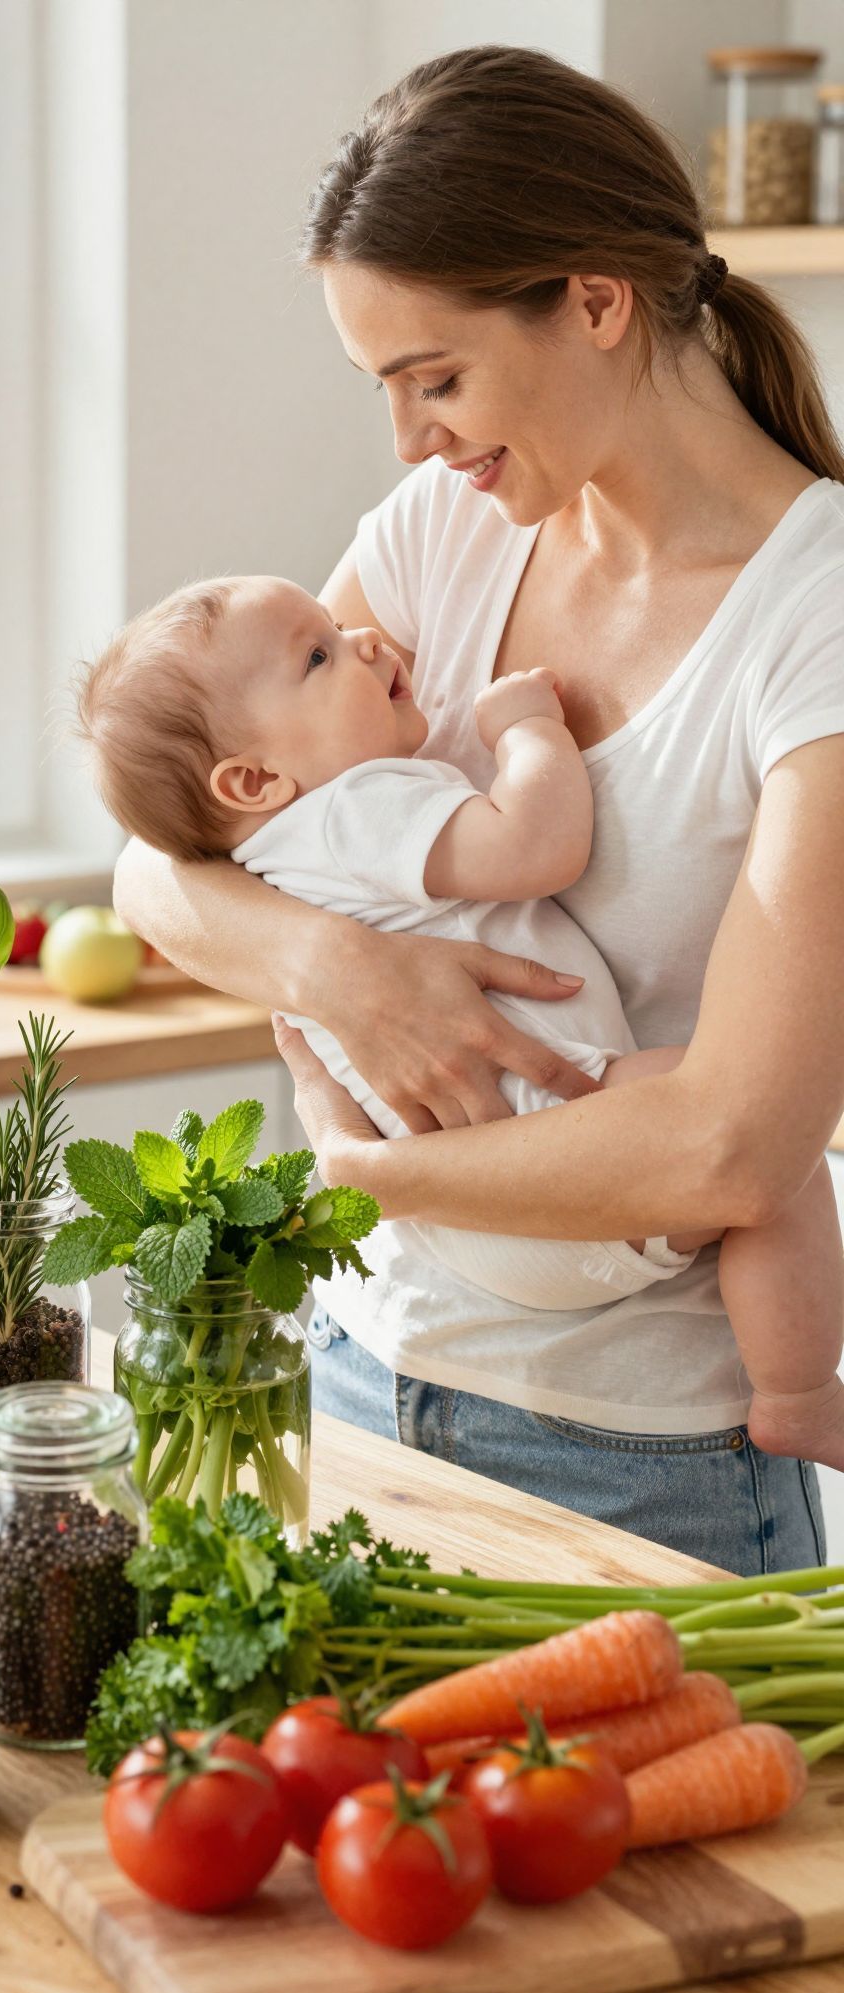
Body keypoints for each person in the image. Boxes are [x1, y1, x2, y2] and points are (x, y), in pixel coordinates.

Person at [112, 45, 844, 1574]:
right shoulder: (445, 535)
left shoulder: (815, 616)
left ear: (593, 299)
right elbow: (165, 868)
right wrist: (343, 974)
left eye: (433, 379)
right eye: (385, 390)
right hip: (353, 1385)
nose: (410, 441)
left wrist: (360, 1170)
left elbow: (728, 1152)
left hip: (643, 1474)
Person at [78, 572, 844, 1466]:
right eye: (320, 654)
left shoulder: (267, 860)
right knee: (776, 1151)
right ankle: (797, 1393)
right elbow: (537, 844)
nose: (364, 639)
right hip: (563, 1156)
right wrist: (527, 732)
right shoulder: (356, 809)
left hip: (460, 1225)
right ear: (253, 778)